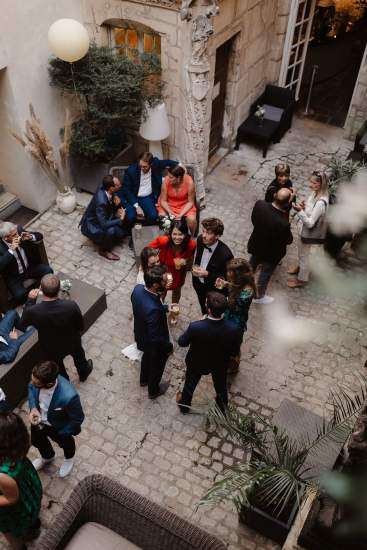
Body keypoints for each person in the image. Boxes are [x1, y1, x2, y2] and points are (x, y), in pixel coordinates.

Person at [20, 274, 93, 382]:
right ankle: (84, 372)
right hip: (72, 340)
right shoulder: (70, 305)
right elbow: (80, 324)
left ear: (41, 289)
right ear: (59, 289)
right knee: (79, 356)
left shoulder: (34, 311)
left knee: (57, 366)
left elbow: (23, 322)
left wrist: (30, 300)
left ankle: (65, 381)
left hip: (50, 345)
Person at [176, 292, 240, 414]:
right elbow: (234, 351)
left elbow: (182, 342)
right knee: (221, 386)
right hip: (219, 364)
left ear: (209, 310)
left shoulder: (196, 327)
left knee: (190, 384)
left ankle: (184, 406)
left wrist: (199, 323)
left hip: (197, 362)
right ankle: (222, 408)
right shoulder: (233, 329)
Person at [29, 361, 84, 478]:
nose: (32, 383)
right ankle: (47, 457)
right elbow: (31, 389)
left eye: (36, 383)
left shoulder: (69, 396)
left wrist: (63, 432)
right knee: (36, 440)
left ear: (49, 383)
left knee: (66, 444)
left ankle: (69, 458)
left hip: (58, 427)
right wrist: (33, 408)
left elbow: (77, 418)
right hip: (38, 421)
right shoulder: (36, 381)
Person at [131, 265, 175, 399]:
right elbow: (156, 337)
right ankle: (153, 390)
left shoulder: (138, 289)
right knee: (157, 366)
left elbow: (147, 306)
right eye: (163, 281)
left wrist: (166, 307)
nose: (166, 282)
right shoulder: (154, 310)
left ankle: (144, 379)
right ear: (155, 285)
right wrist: (168, 347)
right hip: (153, 343)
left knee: (146, 357)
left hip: (141, 336)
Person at [0, 411, 42, 550]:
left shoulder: (2, 475)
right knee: (31, 514)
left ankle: (19, 547)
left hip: (14, 507)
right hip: (27, 485)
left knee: (11, 535)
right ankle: (33, 525)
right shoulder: (16, 449)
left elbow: (11, 498)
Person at [288, 171, 329, 289]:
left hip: (308, 233)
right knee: (302, 254)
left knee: (304, 256)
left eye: (314, 182)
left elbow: (311, 223)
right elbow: (311, 210)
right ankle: (300, 268)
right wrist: (304, 206)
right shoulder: (315, 193)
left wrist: (299, 211)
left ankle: (302, 279)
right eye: (310, 181)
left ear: (321, 184)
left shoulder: (321, 202)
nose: (310, 184)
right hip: (303, 229)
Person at [215, 258, 255, 372]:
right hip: (229, 316)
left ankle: (233, 366)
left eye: (230, 274)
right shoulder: (240, 283)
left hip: (236, 321)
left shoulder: (248, 291)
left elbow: (234, 305)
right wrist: (226, 284)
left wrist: (220, 301)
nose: (227, 275)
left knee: (234, 345)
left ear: (239, 276)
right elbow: (235, 286)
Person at [80, 175, 131, 261]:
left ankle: (114, 235)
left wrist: (114, 196)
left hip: (103, 217)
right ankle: (103, 250)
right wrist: (120, 219)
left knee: (121, 233)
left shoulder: (104, 187)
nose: (120, 186)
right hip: (93, 226)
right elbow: (103, 224)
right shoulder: (101, 202)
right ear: (111, 188)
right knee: (112, 231)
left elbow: (110, 198)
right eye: (118, 185)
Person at [0, 222, 53, 304]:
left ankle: (39, 291)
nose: (17, 235)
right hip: (14, 275)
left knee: (48, 270)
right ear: (6, 238)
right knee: (20, 295)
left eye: (16, 232)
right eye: (14, 235)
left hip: (29, 267)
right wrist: (11, 251)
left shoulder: (20, 231)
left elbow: (40, 236)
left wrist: (30, 237)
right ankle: (31, 299)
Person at [121, 152, 178, 225]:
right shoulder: (131, 170)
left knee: (153, 216)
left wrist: (182, 168)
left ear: (151, 164)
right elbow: (126, 190)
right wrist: (137, 206)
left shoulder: (155, 164)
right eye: (140, 166)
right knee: (131, 217)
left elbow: (171, 162)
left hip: (147, 197)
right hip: (133, 196)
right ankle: (131, 233)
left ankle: (146, 229)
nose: (142, 168)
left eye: (145, 167)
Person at [148, 218, 196, 305]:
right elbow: (147, 250)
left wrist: (185, 261)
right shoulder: (163, 241)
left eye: (180, 234)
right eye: (174, 234)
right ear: (170, 234)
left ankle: (174, 310)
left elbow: (190, 258)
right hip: (163, 271)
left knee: (177, 291)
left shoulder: (191, 244)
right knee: (162, 290)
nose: (177, 238)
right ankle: (160, 306)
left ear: (185, 234)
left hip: (179, 273)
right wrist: (154, 261)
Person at [192, 217, 233, 314]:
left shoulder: (226, 255)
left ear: (218, 235)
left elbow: (226, 281)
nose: (204, 236)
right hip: (198, 285)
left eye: (209, 233)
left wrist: (208, 274)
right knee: (203, 307)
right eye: (203, 231)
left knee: (212, 312)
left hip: (213, 290)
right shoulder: (199, 240)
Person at [157, 165, 197, 235]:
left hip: (184, 204)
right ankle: (168, 236)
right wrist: (170, 212)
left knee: (192, 220)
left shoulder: (189, 182)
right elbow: (163, 201)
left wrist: (180, 215)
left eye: (171, 177)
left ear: (178, 178)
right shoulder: (166, 180)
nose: (168, 178)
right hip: (168, 204)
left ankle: (192, 236)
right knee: (163, 217)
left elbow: (190, 202)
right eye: (168, 176)